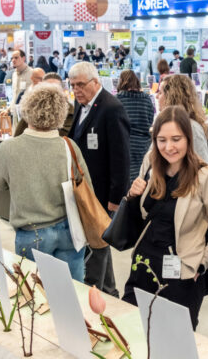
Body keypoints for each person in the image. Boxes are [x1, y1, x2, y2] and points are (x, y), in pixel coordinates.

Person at [122, 106, 208, 329]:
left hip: (182, 272)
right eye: (162, 140)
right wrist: (132, 195)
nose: (168, 147)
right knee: (134, 331)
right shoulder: (150, 163)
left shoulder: (206, 176)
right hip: (144, 265)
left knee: (177, 341)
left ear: (188, 139)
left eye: (176, 139)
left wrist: (201, 264)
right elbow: (142, 215)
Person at [0, 84, 90, 280]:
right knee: (73, 293)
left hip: (31, 232)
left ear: (27, 110)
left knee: (35, 299)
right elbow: (86, 185)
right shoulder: (69, 146)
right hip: (69, 230)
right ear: (60, 113)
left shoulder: (9, 148)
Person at [68, 61, 131, 297]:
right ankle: (109, 290)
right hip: (85, 189)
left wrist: (116, 198)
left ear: (96, 82)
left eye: (81, 84)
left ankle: (99, 291)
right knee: (99, 242)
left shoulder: (111, 108)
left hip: (104, 193)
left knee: (98, 244)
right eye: (73, 85)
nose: (76, 90)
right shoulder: (81, 104)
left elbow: (121, 157)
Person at [157, 74, 208, 162]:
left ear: (170, 96)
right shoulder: (164, 125)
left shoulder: (192, 128)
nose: (157, 96)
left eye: (160, 92)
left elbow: (202, 167)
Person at [116, 70, 154, 184]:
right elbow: (150, 120)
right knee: (142, 176)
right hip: (144, 145)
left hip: (124, 143)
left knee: (126, 178)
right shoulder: (147, 99)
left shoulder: (117, 100)